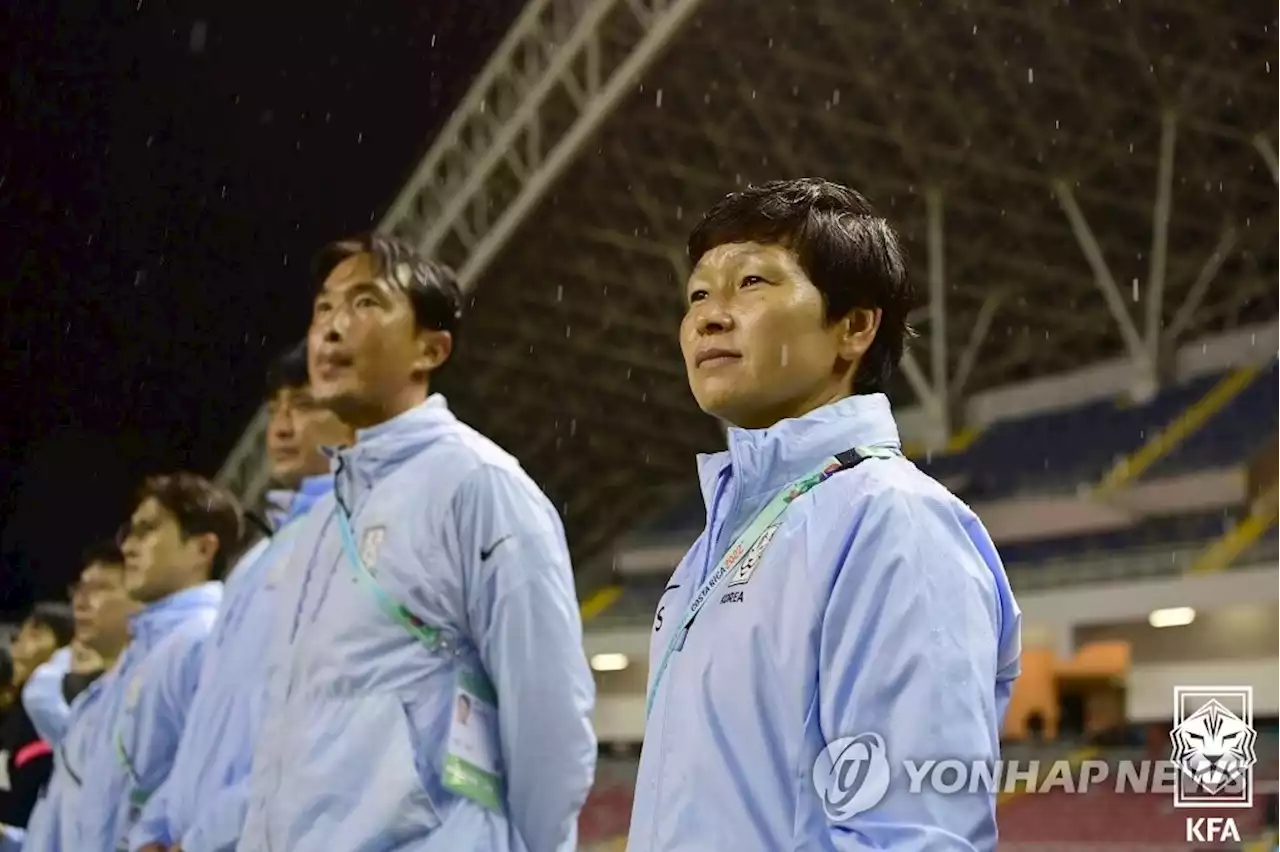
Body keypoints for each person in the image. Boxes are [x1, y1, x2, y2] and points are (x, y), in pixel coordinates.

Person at [626, 179, 1022, 851]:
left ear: (854, 327)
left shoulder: (896, 524)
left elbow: (917, 836)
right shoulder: (715, 543)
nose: (708, 317)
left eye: (751, 282)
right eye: (697, 295)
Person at [238, 234, 596, 852]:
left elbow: (548, 715)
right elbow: (281, 735)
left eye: (365, 303)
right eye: (323, 308)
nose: (330, 329)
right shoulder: (323, 526)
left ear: (430, 349)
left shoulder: (478, 485)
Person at [130, 343, 350, 852]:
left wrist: (206, 836)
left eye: (304, 405)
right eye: (276, 409)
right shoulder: (256, 562)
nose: (282, 426)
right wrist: (160, 829)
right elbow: (210, 715)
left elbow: (320, 727)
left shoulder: (352, 540)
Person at [74, 474, 240, 851]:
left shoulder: (204, 637)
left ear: (203, 548)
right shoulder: (145, 649)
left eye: (147, 530)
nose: (129, 548)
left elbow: (214, 775)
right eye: (129, 534)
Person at [10, 542, 138, 852]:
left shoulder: (142, 694)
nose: (81, 602)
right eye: (79, 589)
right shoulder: (92, 699)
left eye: (101, 588)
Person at [0, 604, 75, 828]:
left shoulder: (58, 713)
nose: (20, 644)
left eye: (35, 634)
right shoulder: (12, 711)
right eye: (20, 636)